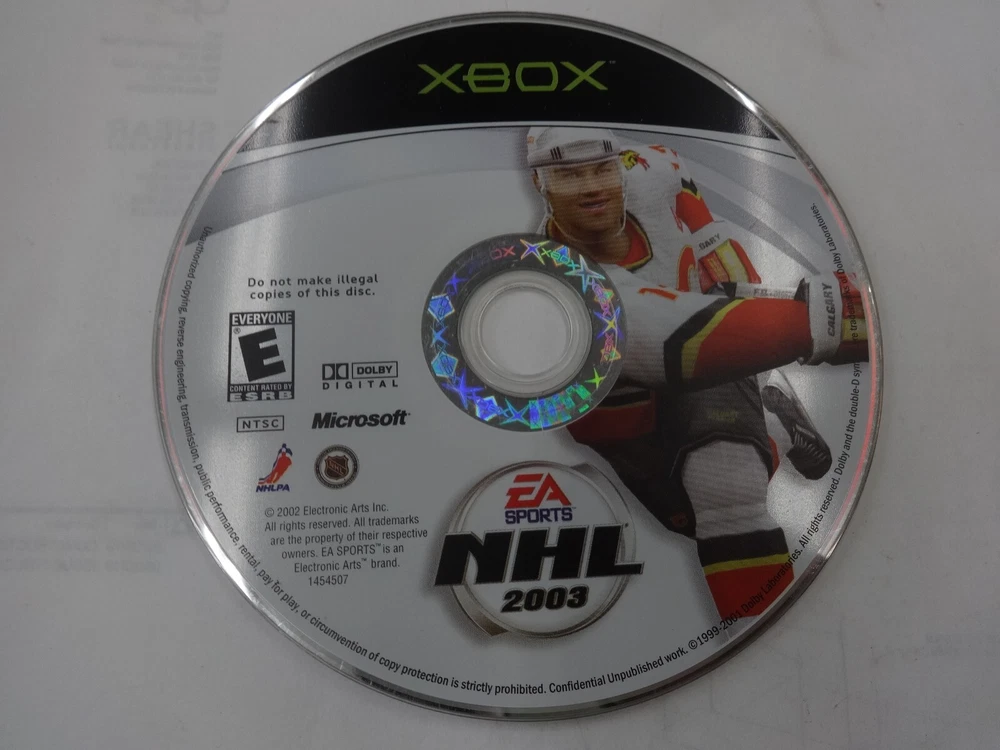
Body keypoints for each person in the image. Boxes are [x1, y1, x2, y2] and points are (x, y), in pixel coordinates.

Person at [526, 126, 866, 618]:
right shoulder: (558, 280)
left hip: (701, 357)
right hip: (635, 395)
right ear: (539, 183)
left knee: (726, 490)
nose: (592, 187)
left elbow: (681, 183)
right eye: (568, 176)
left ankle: (767, 638)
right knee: (683, 516)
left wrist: (715, 250)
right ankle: (773, 418)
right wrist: (825, 320)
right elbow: (682, 338)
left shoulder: (649, 169)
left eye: (601, 169)